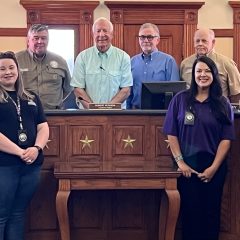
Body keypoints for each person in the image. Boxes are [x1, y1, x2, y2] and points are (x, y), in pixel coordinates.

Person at [163, 56, 235, 240]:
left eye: (207, 71)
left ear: (214, 75)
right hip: (187, 167)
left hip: (214, 166)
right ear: (193, 75)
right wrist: (181, 163)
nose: (203, 75)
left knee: (211, 214)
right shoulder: (180, 100)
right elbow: (172, 134)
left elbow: (226, 139)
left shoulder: (222, 103)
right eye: (199, 71)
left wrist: (213, 168)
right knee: (190, 214)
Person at [0, 51, 49, 240]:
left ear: (18, 70)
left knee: (18, 214)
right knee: (2, 215)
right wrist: (21, 152)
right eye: (2, 69)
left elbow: (43, 127)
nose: (8, 72)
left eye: (11, 67)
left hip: (30, 165)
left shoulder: (31, 96)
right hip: (5, 165)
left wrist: (36, 149)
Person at [71, 17, 133, 109]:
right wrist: (93, 109)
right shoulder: (82, 57)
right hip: (88, 115)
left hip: (115, 116)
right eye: (98, 31)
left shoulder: (124, 57)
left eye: (105, 30)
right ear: (93, 34)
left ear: (112, 34)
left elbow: (126, 90)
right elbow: (78, 89)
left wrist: (108, 109)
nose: (101, 34)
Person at [16, 24, 73, 110]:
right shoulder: (16, 60)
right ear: (28, 41)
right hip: (25, 113)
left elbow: (68, 88)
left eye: (44, 38)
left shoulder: (60, 61)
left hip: (54, 113)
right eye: (36, 38)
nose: (40, 41)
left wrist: (55, 102)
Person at [127, 23, 180, 109]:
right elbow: (128, 92)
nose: (146, 40)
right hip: (135, 114)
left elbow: (175, 93)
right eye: (142, 37)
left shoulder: (168, 61)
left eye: (150, 37)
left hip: (161, 114)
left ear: (157, 40)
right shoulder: (132, 62)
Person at [180, 28, 240, 103]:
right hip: (191, 110)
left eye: (204, 41)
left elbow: (236, 94)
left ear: (213, 42)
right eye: (197, 41)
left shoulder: (226, 63)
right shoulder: (185, 64)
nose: (200, 44)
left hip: (218, 109)